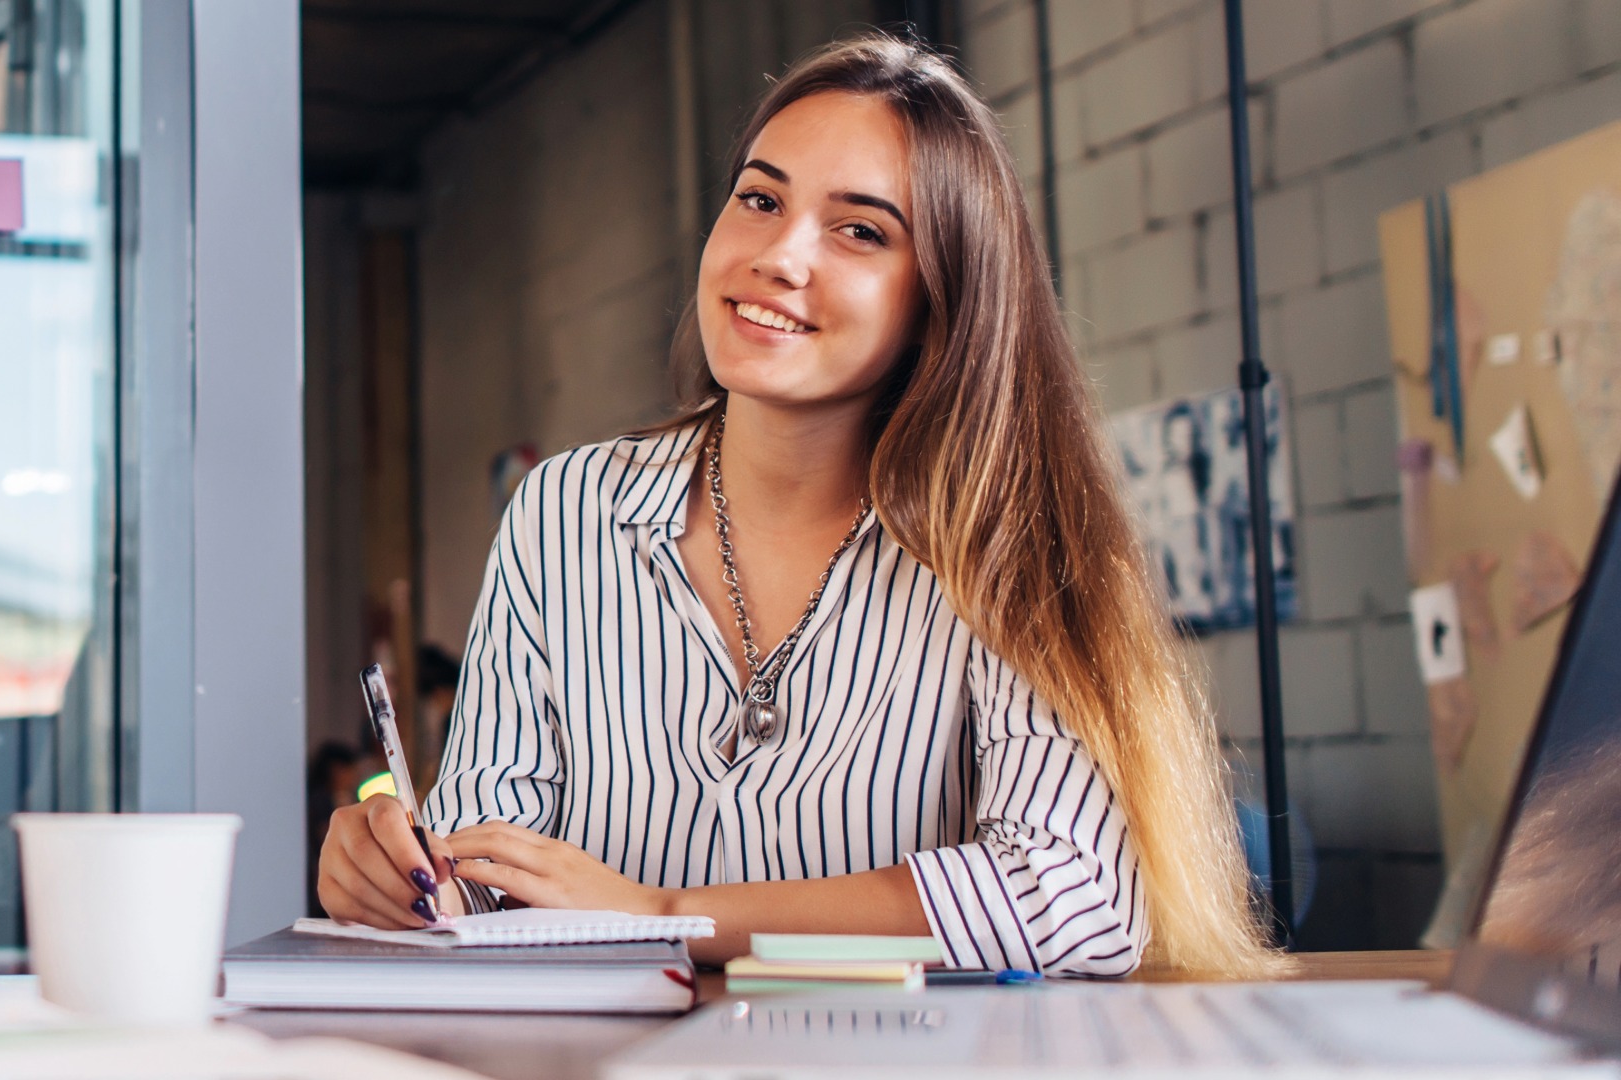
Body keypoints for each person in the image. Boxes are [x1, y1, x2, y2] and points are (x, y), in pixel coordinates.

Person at [316, 31, 1280, 978]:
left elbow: (1073, 894)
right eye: (759, 199)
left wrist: (667, 918)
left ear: (942, 296)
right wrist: (405, 879)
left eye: (860, 230)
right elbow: (494, 870)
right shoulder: (562, 512)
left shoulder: (1003, 539)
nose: (780, 254)